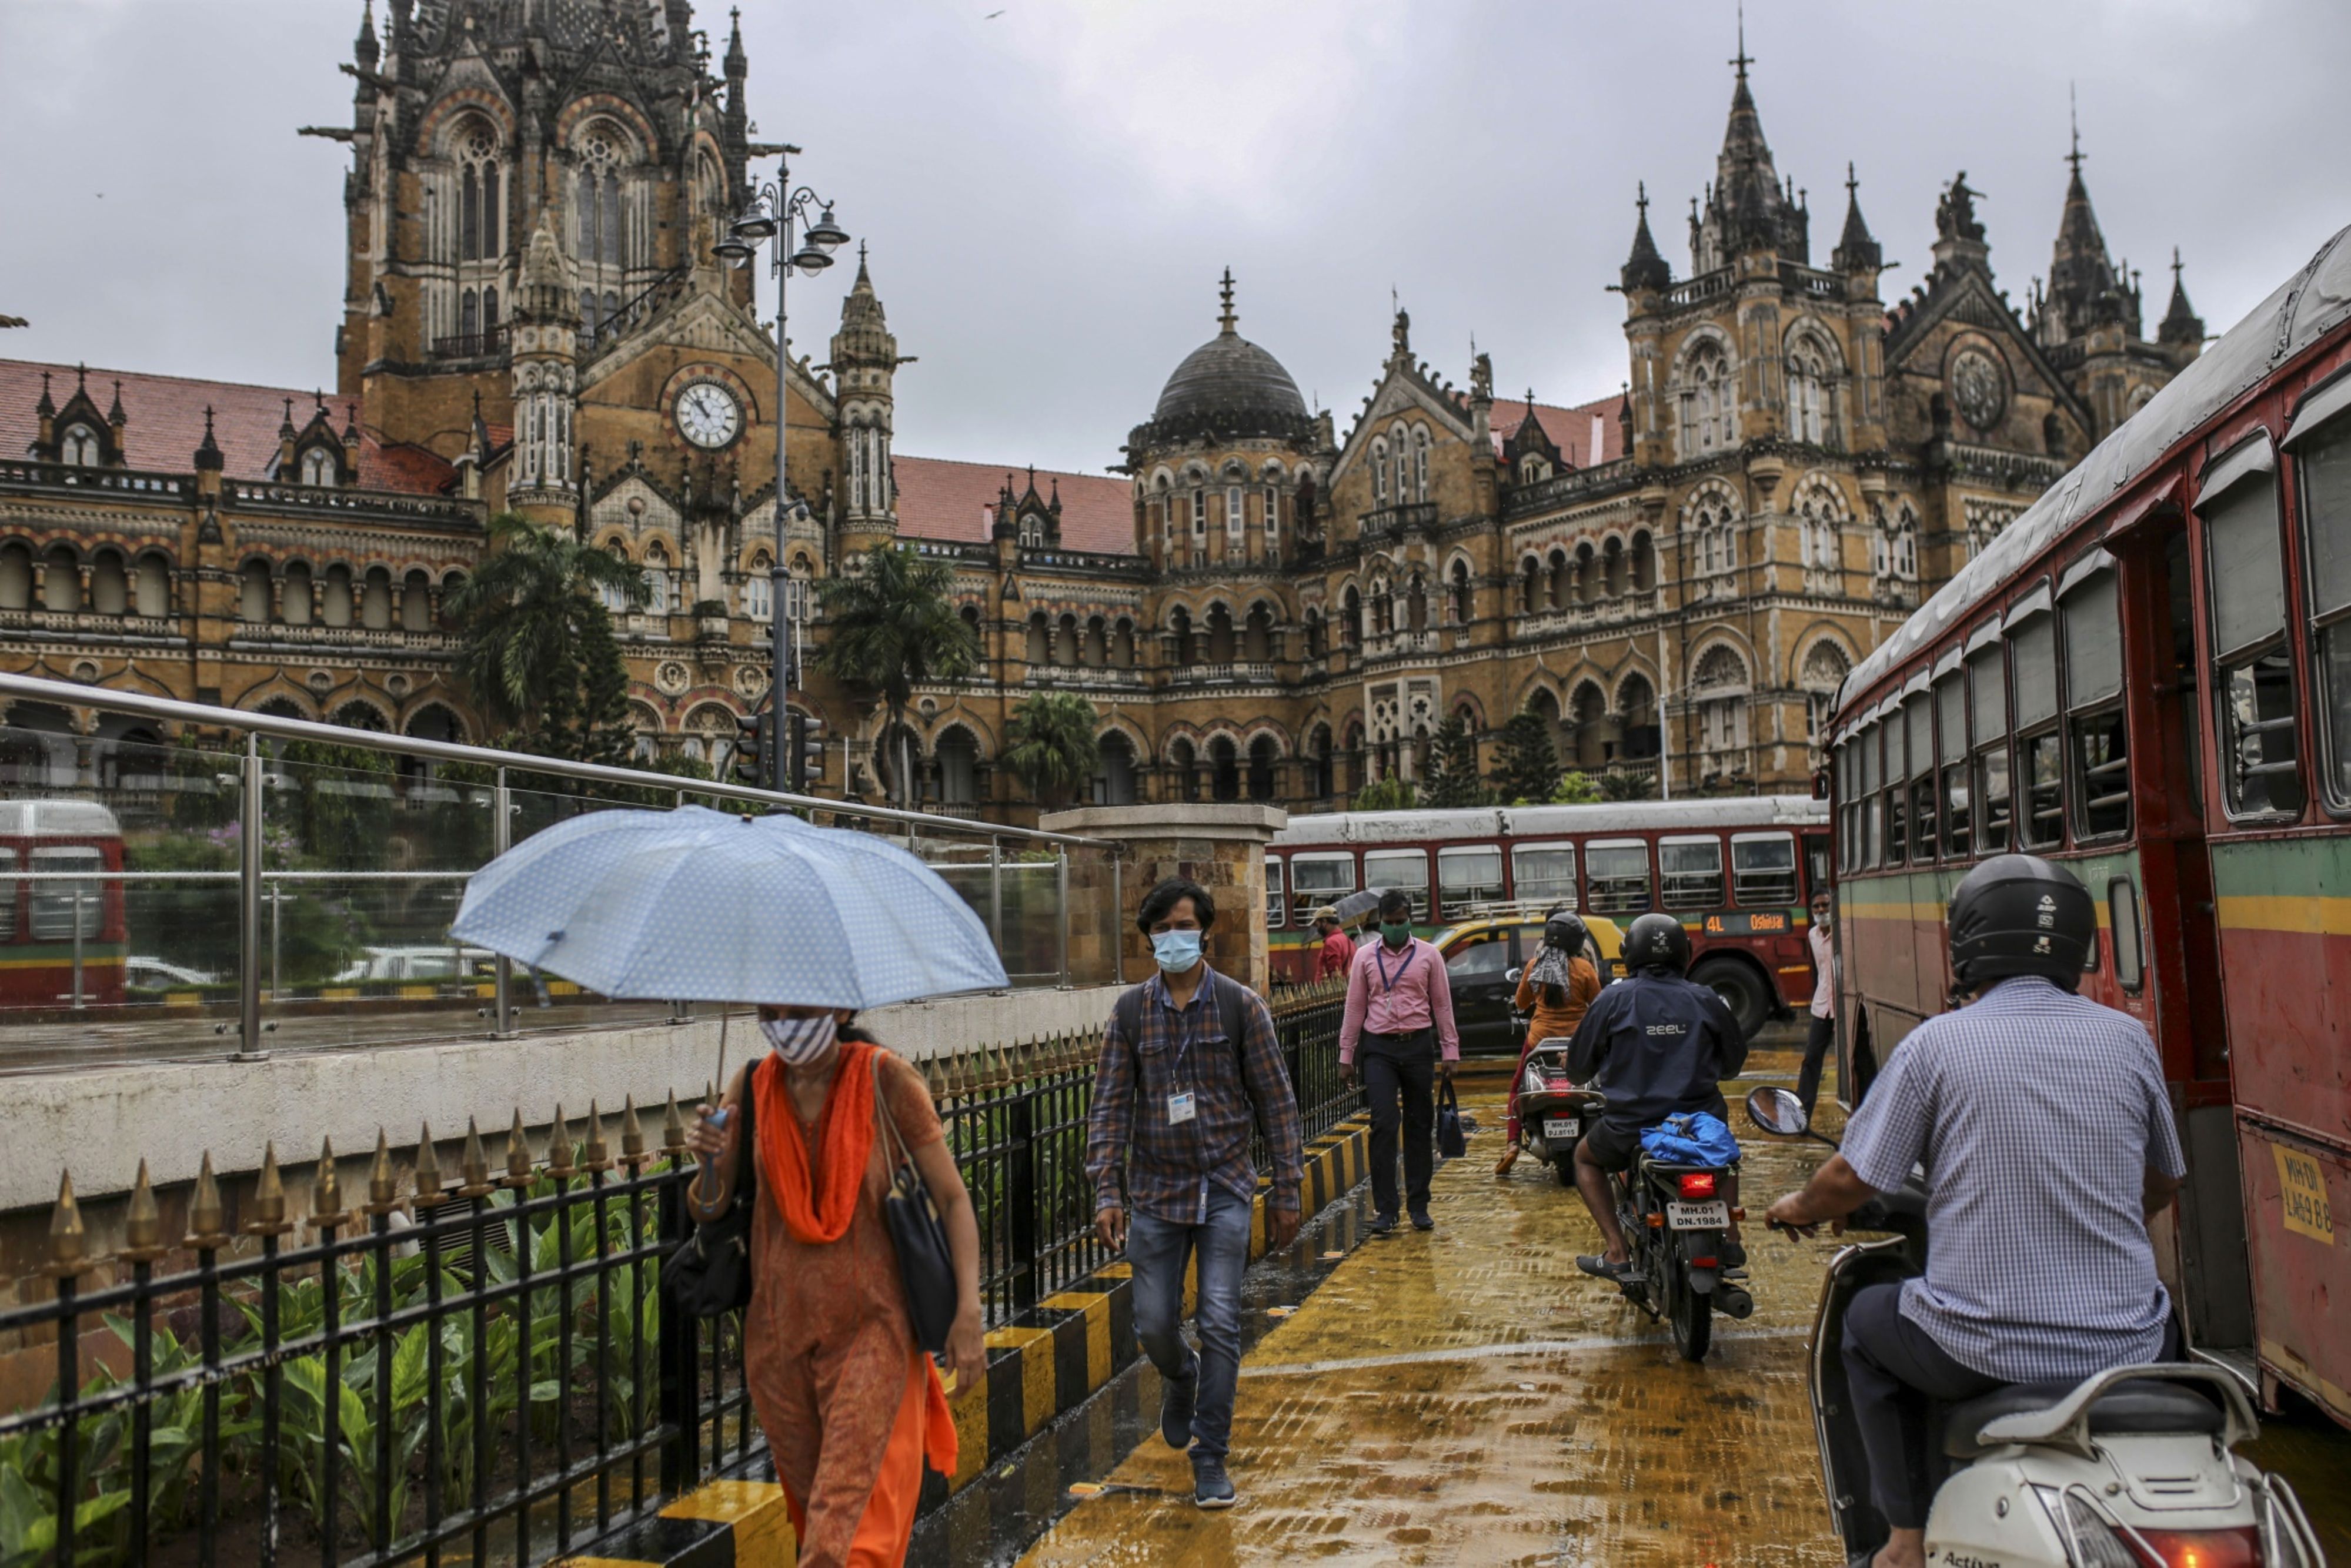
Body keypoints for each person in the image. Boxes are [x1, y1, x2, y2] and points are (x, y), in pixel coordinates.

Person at [1764, 855, 2185, 1568]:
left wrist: (1797, 1206)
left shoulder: (1937, 1044)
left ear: (1966, 940)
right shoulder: (2128, 1040)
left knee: (1863, 1323)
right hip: (2129, 1351)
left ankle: (1903, 1538)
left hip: (1977, 1350)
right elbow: (2162, 1183)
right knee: (2159, 1309)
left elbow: (1852, 1176)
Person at [684, 1004, 986, 1568]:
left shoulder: (885, 1078)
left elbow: (952, 1199)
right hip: (778, 1347)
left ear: (840, 1005)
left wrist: (968, 1310)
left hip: (873, 1335)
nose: (784, 1020)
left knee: (843, 1543)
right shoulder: (751, 1085)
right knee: (817, 1526)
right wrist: (710, 1164)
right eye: (771, 1009)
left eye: (799, 1007)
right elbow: (708, 1209)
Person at [1086, 877, 1305, 1511]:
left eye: (1184, 925)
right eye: (1162, 928)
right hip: (1157, 1191)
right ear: (1148, 938)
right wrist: (1107, 1189)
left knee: (1219, 1318)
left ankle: (1211, 1456)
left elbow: (1276, 1102)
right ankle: (1180, 1375)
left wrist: (1287, 1188)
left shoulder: (1240, 1006)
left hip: (1225, 1186)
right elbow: (1108, 1108)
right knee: (1155, 1325)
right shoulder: (1130, 1013)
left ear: (1204, 931)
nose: (1173, 937)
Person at [1567, 912, 1748, 1282]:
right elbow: (1733, 1066)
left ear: (1628, 954)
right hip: (1698, 1127)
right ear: (1685, 952)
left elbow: (1578, 1069)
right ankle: (1730, 1238)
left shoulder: (1612, 999)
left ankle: (1617, 1252)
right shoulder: (1706, 998)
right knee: (1725, 1156)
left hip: (1630, 1129)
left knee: (1584, 1159)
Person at [1338, 889, 1460, 1234]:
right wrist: (1346, 1055)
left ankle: (1419, 1206)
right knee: (1384, 1124)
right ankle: (1387, 1209)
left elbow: (1442, 1004)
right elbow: (1354, 1007)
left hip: (1417, 1046)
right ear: (1381, 922)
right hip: (1379, 1049)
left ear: (1410, 920)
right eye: (1389, 922)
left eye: (1401, 921)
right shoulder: (1364, 957)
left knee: (1419, 1125)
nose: (1395, 927)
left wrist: (1450, 1051)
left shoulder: (1429, 956)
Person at [1495, 910, 1603, 1176]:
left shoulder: (1534, 966)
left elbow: (1522, 1003)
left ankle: (1512, 1144)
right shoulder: (1585, 969)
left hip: (1539, 1042)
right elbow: (1599, 1006)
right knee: (1601, 1085)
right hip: (1576, 1043)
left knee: (1516, 1088)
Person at [1796, 891, 1836, 1116]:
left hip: (1843, 1007)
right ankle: (1801, 1116)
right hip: (1822, 1007)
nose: (1821, 911)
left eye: (1825, 905)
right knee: (1811, 1058)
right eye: (1817, 907)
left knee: (1857, 1062)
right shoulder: (1813, 935)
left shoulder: (1843, 933)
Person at [1310, 905, 1357, 982]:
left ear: (1324, 922)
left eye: (1318, 925)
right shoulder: (1348, 940)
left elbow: (1335, 972)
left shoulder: (1331, 942)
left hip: (1334, 989)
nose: (1318, 929)